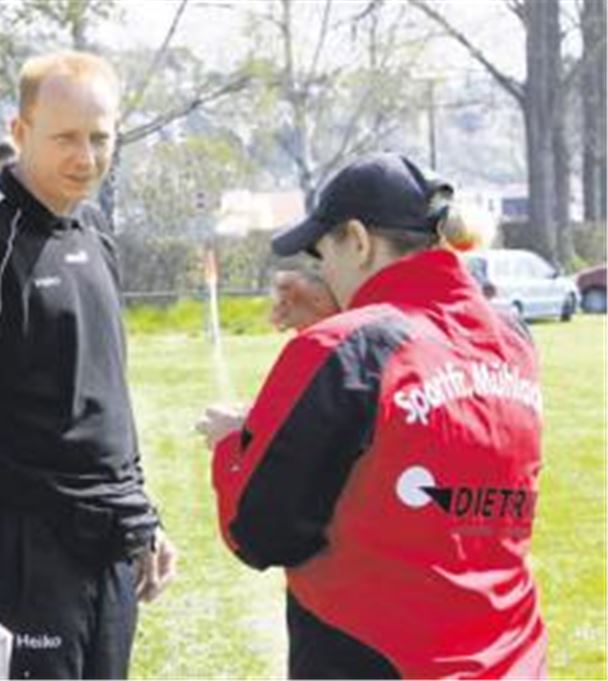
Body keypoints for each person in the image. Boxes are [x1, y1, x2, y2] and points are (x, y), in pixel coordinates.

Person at [197, 152, 547, 679]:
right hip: (514, 658)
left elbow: (259, 530)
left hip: (378, 658)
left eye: (323, 256)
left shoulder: (342, 347)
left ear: (357, 240)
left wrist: (235, 443)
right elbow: (420, 381)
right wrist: (347, 318)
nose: (324, 273)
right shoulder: (512, 337)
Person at [0, 50, 177, 680]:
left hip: (110, 543)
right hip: (17, 546)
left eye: (100, 138)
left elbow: (105, 397)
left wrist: (140, 511)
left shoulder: (95, 229)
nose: (85, 158)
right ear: (19, 132)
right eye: (65, 138)